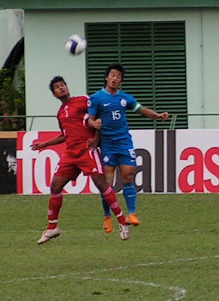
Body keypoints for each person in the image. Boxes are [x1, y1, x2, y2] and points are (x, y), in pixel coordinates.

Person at [32, 76, 130, 244]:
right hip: (71, 154)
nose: (61, 88)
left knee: (102, 185)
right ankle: (52, 227)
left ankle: (123, 222)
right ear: (54, 94)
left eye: (63, 84)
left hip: (87, 150)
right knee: (55, 186)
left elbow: (99, 117)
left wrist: (97, 138)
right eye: (57, 87)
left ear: (67, 87)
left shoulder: (83, 100)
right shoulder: (61, 113)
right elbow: (65, 135)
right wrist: (45, 144)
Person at [87, 63, 169, 232]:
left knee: (129, 175)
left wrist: (158, 115)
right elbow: (90, 119)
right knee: (107, 184)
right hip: (108, 144)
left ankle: (132, 213)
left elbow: (142, 109)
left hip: (124, 142)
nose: (115, 78)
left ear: (121, 81)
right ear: (106, 78)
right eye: (112, 75)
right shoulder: (97, 98)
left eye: (118, 76)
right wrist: (94, 123)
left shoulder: (125, 98)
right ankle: (107, 216)